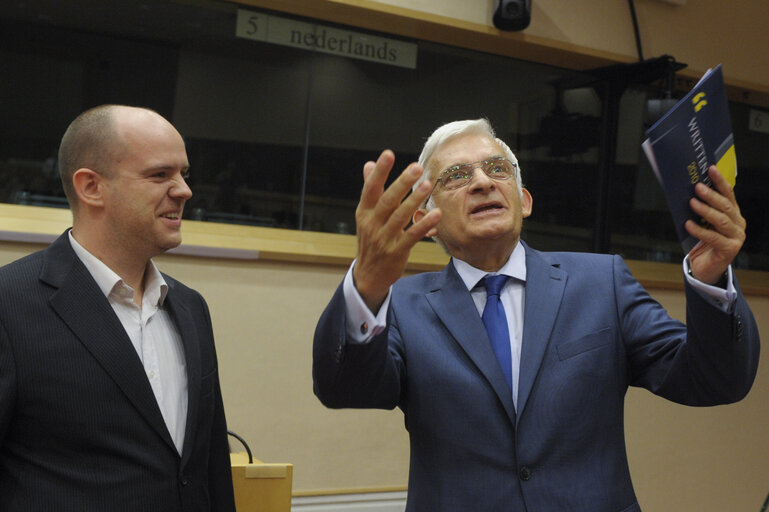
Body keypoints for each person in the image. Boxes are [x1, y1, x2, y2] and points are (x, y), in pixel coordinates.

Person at [313, 118, 760, 511]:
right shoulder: (405, 305)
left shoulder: (601, 283)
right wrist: (368, 287)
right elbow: (343, 388)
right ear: (424, 219)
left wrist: (712, 279)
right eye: (456, 176)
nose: (483, 183)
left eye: (497, 169)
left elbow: (713, 380)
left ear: (523, 200)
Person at [0, 105, 236, 511]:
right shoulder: (10, 303)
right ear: (92, 187)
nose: (184, 190)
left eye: (184, 174)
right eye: (160, 175)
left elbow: (209, 467)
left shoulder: (191, 308)